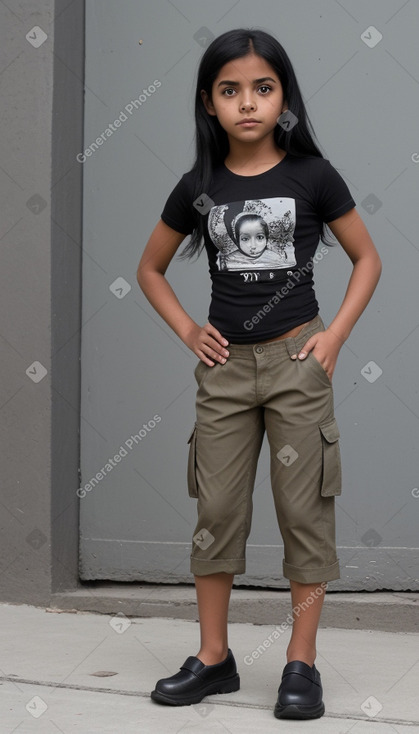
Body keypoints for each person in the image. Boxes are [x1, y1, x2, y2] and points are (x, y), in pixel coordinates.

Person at [137, 27, 381, 720]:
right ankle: (213, 657)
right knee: (215, 512)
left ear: (283, 98)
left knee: (303, 513)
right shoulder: (199, 186)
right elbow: (148, 269)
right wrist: (189, 329)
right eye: (230, 90)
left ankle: (299, 663)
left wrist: (333, 335)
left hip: (295, 364)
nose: (248, 102)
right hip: (225, 376)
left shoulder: (312, 176)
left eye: (263, 88)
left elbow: (368, 258)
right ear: (209, 104)